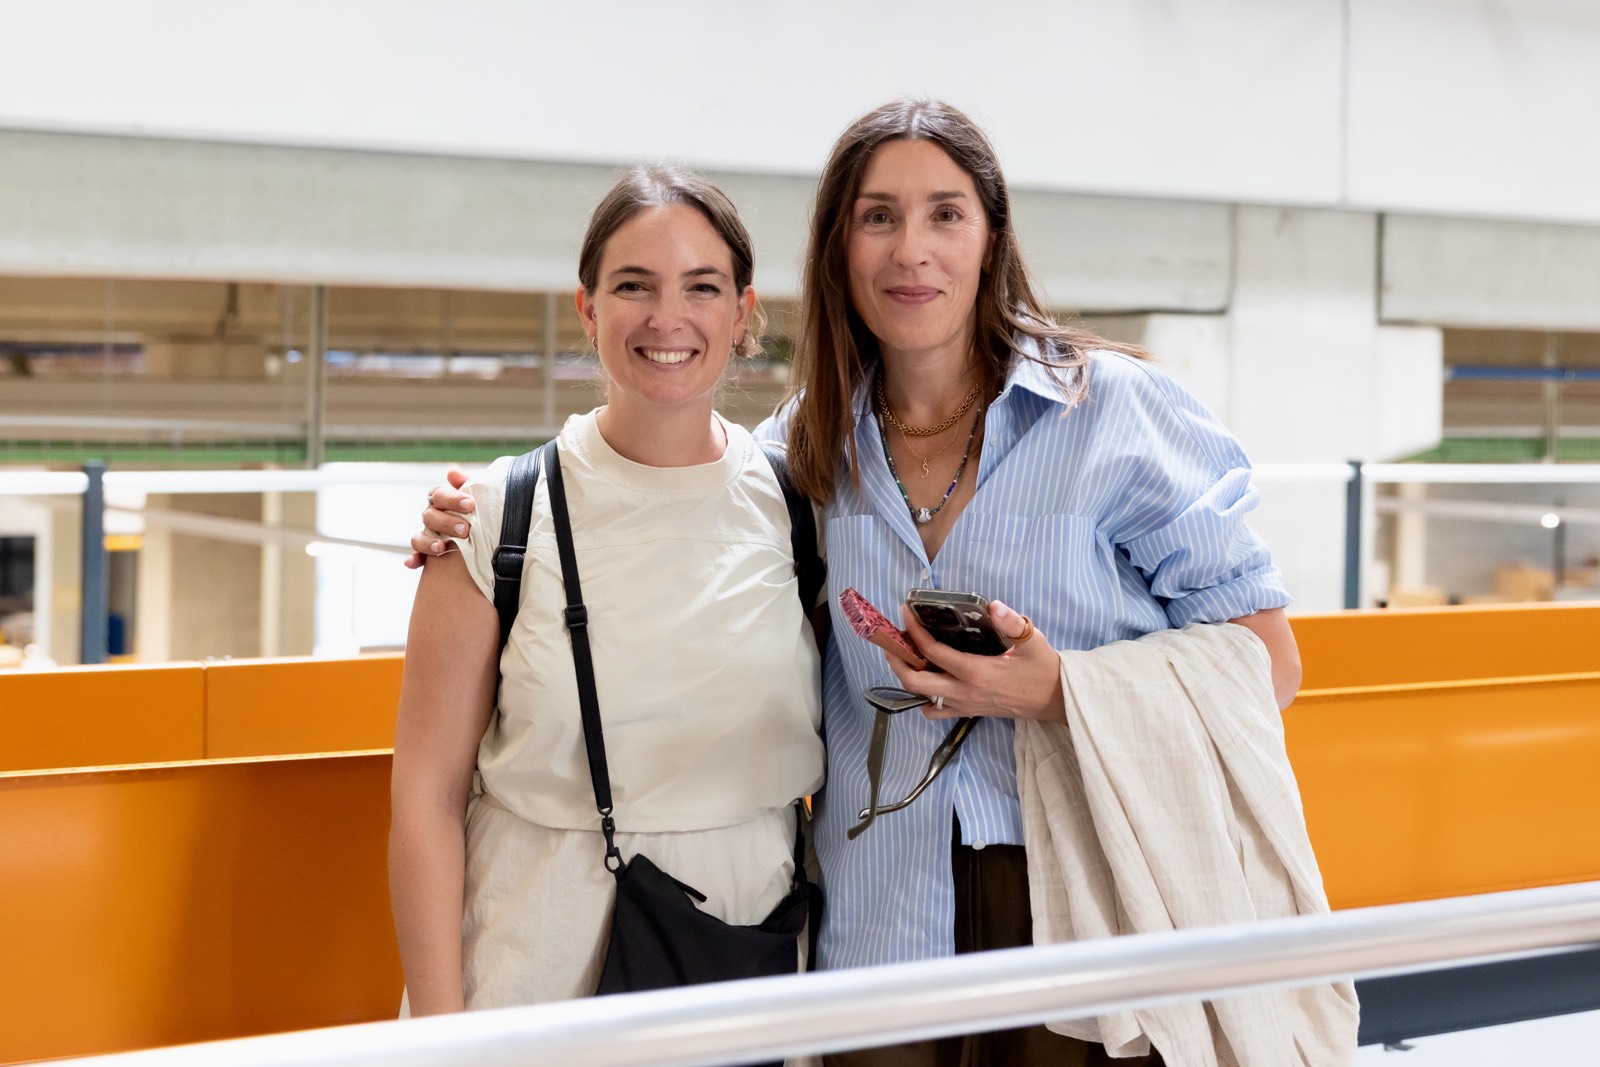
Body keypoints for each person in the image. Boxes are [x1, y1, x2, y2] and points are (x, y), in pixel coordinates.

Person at [413, 100, 1347, 1065]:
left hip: (1093, 906)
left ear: (990, 236)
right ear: (838, 247)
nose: (913, 251)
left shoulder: (1112, 413)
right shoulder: (803, 453)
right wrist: (479, 510)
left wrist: (1059, 690)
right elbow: (668, 465)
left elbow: (1268, 666)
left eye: (946, 214)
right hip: (881, 927)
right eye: (877, 217)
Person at [388, 164, 825, 1017]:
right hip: (530, 975)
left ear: (743, 315)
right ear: (588, 309)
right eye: (635, 285)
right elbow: (425, 802)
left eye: (702, 287)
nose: (669, 318)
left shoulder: (803, 509)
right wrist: (441, 1037)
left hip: (750, 966)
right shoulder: (493, 518)